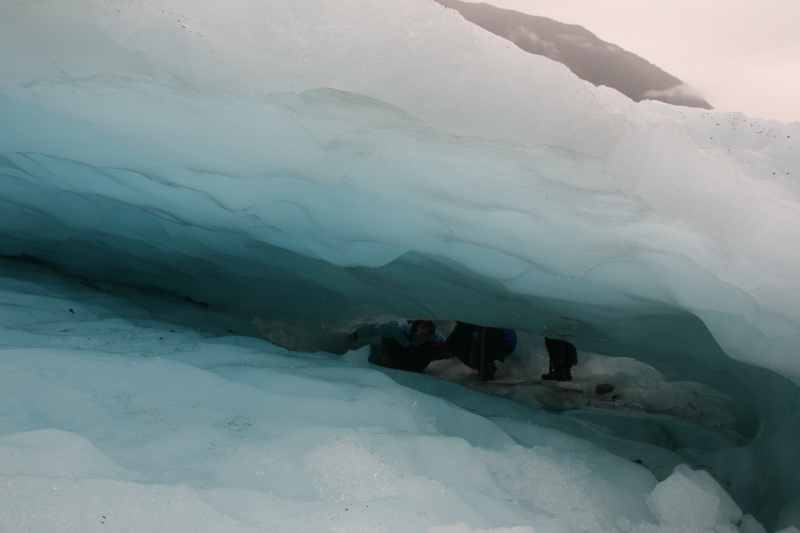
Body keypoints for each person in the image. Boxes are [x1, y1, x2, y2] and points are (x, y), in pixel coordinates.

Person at [351, 319, 447, 373]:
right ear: (415, 331)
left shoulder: (434, 338)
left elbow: (446, 346)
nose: (423, 338)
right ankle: (378, 363)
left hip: (407, 355)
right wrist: (354, 335)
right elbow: (374, 329)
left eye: (427, 336)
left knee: (426, 349)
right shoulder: (397, 329)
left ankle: (412, 370)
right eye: (421, 335)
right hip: (389, 351)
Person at [445, 321, 517, 381]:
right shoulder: (461, 329)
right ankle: (487, 369)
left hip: (504, 341)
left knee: (482, 339)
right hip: (490, 339)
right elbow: (451, 343)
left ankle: (488, 370)